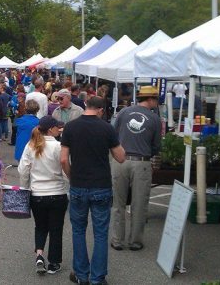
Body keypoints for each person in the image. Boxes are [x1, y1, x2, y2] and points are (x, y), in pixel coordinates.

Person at [60, 97, 126, 285]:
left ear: (86, 107)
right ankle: (97, 278)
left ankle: (81, 275)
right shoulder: (107, 128)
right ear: (101, 110)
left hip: (79, 185)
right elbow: (121, 157)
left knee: (78, 231)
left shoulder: (71, 127)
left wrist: (72, 177)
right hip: (101, 186)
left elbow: (63, 159)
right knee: (100, 233)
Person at [110, 86, 162, 252]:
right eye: (156, 100)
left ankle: (117, 240)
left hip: (120, 160)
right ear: (151, 99)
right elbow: (156, 146)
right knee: (139, 203)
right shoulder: (154, 119)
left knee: (118, 203)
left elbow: (113, 135)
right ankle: (135, 241)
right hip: (142, 162)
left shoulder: (124, 113)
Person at [18, 115, 68, 275]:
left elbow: (23, 170)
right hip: (57, 193)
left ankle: (39, 254)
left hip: (37, 194)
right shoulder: (59, 146)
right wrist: (70, 185)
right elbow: (65, 169)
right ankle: (54, 263)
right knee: (56, 229)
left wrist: (25, 188)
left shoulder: (31, 145)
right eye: (57, 127)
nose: (59, 129)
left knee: (40, 226)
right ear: (51, 129)